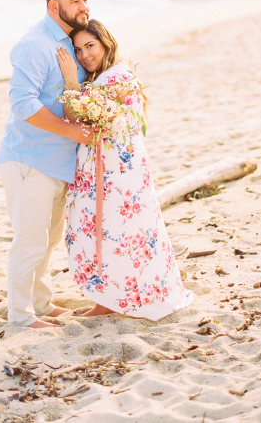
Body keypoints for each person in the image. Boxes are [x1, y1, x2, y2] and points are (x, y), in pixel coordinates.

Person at [55, 19, 193, 319]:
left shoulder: (115, 77)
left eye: (89, 46)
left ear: (105, 42)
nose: (83, 56)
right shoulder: (107, 75)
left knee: (111, 228)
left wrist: (70, 80)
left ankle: (108, 302)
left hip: (114, 169)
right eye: (77, 50)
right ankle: (110, 299)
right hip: (114, 166)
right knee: (115, 228)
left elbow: (74, 116)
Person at [0, 0, 101, 328]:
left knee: (50, 239)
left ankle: (41, 303)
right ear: (55, 6)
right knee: (30, 240)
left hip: (59, 161)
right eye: (76, 1)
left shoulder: (73, 41)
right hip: (29, 159)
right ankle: (20, 315)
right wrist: (73, 130)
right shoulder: (35, 44)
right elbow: (22, 103)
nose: (84, 6)